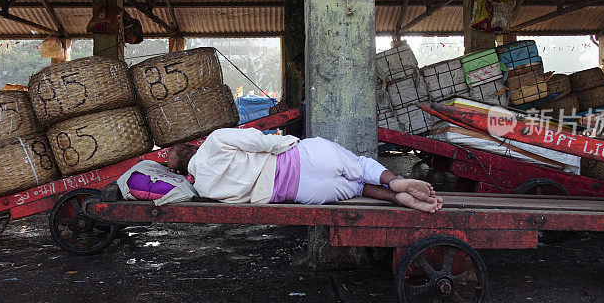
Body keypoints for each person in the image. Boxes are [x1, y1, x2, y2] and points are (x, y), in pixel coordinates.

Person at [167, 127, 442, 212]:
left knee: (357, 187)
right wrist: (286, 141)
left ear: (182, 172)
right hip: (302, 158)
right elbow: (256, 141)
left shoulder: (202, 188)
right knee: (359, 166)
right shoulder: (214, 141)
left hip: (301, 190)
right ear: (194, 146)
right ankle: (395, 182)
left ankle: (397, 198)